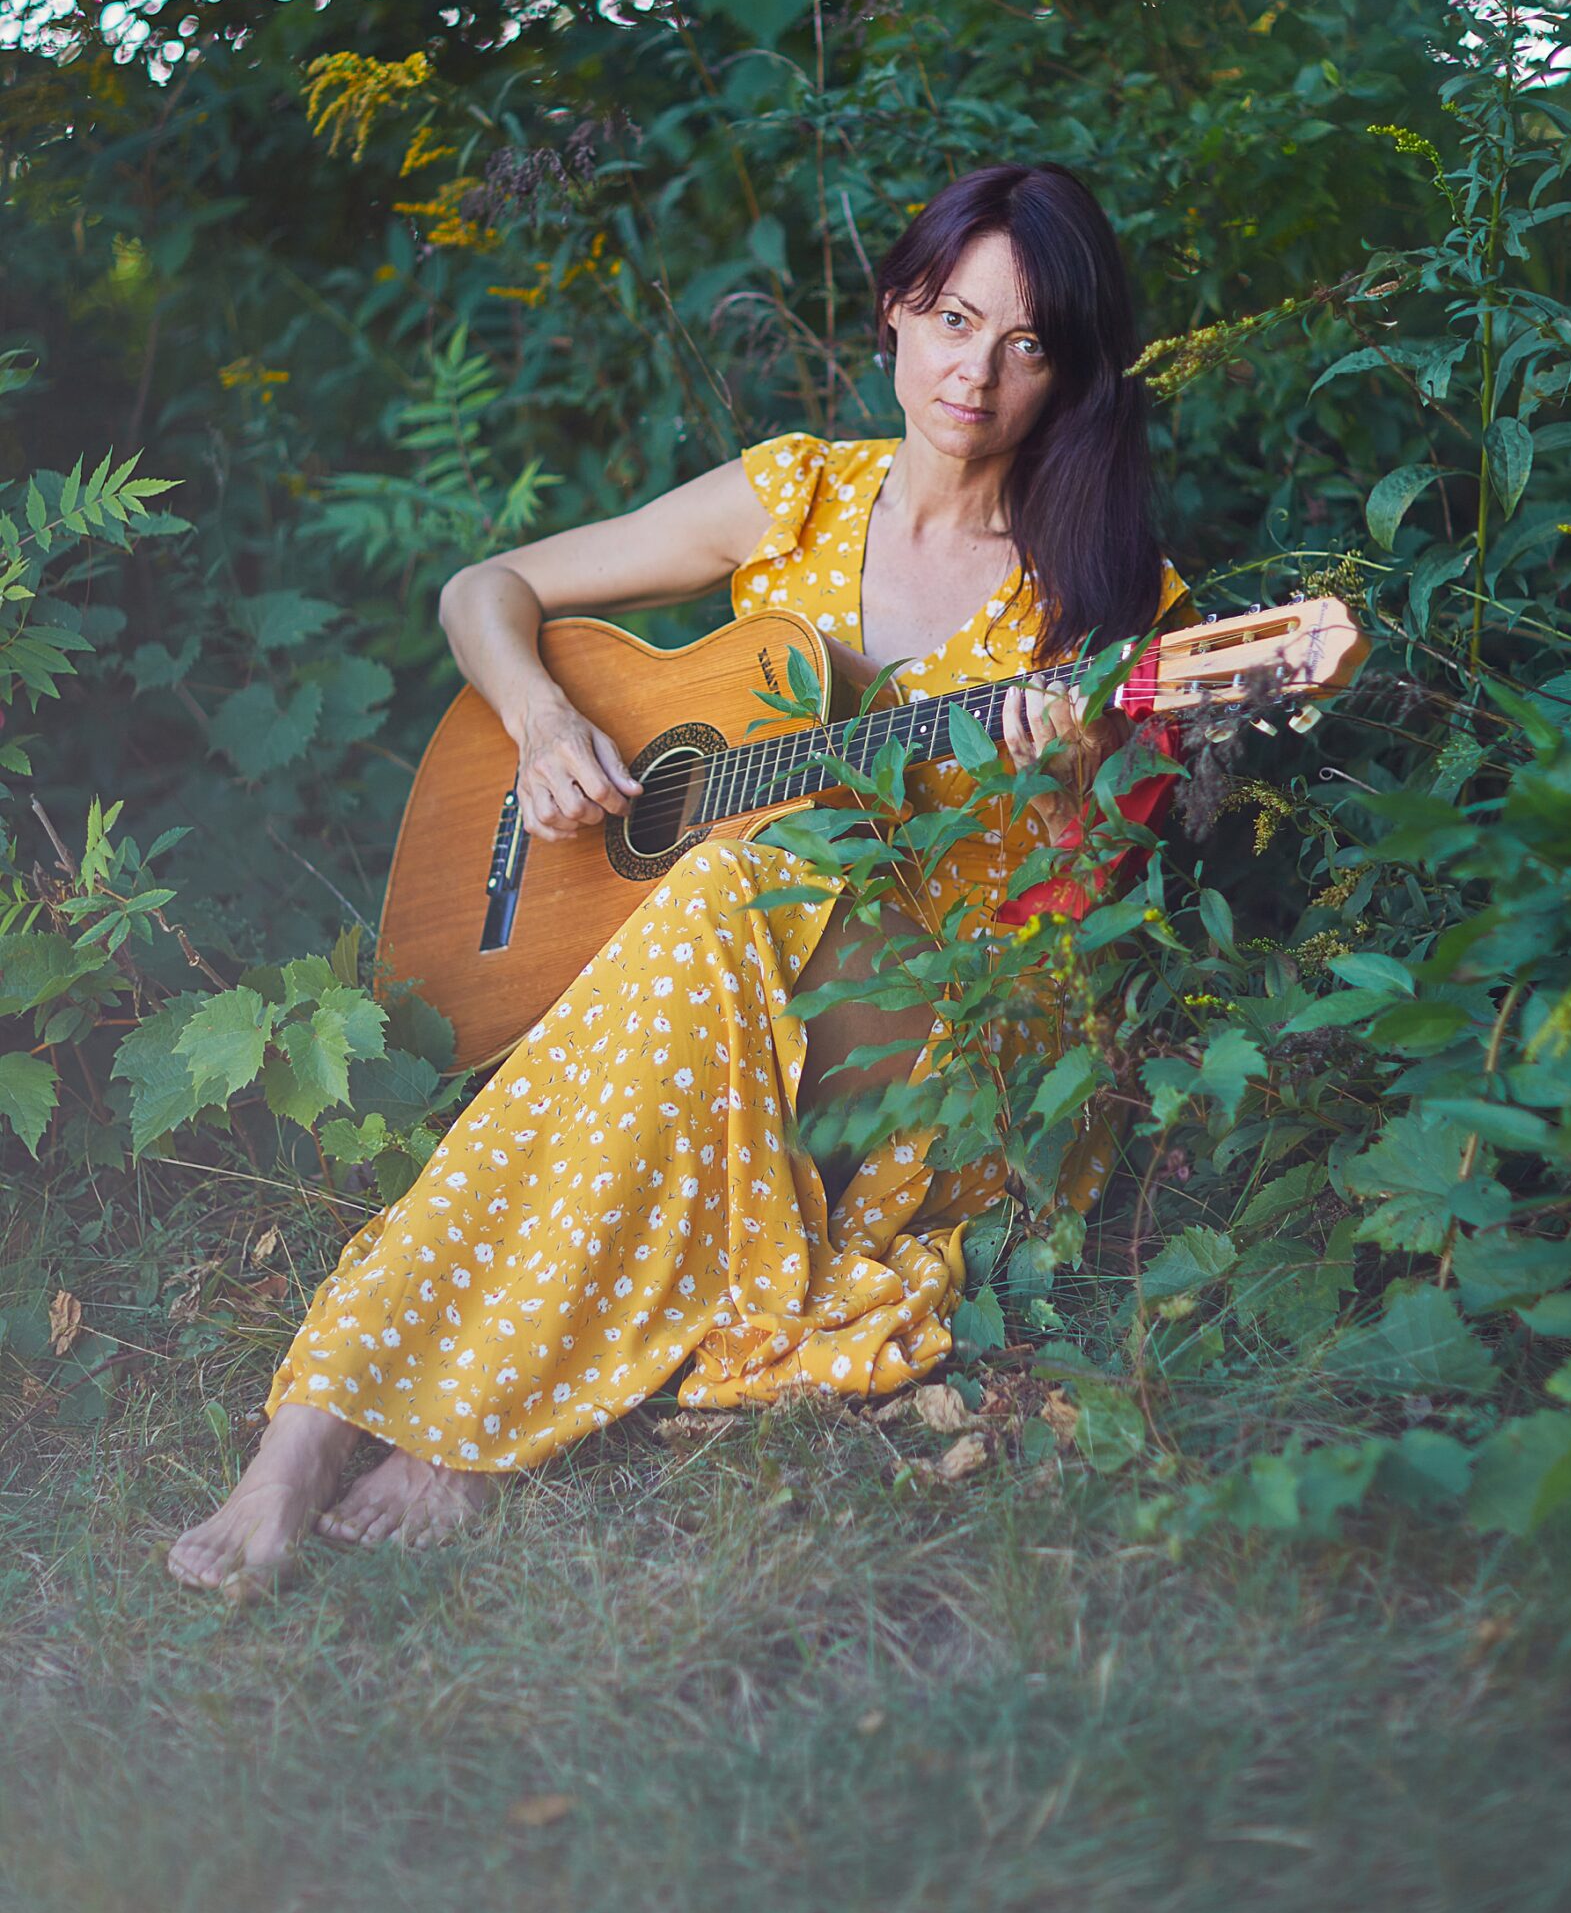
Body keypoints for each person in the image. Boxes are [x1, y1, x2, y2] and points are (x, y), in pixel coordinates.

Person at [168, 163, 1184, 1594]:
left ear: (1068, 376)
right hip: (734, 958)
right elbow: (486, 590)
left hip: (955, 1013)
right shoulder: (798, 494)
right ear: (897, 313)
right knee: (721, 903)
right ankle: (307, 1439)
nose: (978, 371)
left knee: (718, 896)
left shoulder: (1103, 596)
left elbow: (1096, 910)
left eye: (1028, 346)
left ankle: (460, 1420)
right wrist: (541, 721)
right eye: (956, 320)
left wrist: (1070, 773)